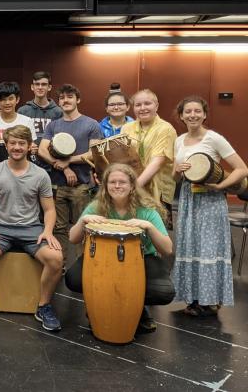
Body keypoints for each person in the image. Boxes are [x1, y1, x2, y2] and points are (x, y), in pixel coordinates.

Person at [0, 125, 63, 330]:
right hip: (1, 229)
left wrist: (47, 231)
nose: (17, 147)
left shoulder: (40, 175)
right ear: (6, 145)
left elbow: (49, 210)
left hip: (32, 230)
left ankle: (44, 306)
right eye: (13, 143)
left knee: (56, 259)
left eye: (22, 143)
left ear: (30, 146)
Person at [65, 163, 175, 333]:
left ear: (132, 186)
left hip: (141, 259)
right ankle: (99, 308)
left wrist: (149, 227)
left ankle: (138, 308)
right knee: (74, 279)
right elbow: (73, 238)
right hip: (102, 259)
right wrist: (84, 220)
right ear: (105, 185)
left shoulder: (147, 211)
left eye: (122, 182)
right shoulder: (96, 206)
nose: (117, 186)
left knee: (163, 292)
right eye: (112, 182)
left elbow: (167, 249)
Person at [172, 96, 248, 316]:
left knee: (209, 248)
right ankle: (194, 299)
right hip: (188, 198)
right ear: (181, 115)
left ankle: (210, 301)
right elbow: (175, 178)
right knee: (190, 246)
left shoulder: (214, 138)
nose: (192, 115)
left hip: (210, 199)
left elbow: (242, 169)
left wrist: (221, 186)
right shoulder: (179, 140)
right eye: (188, 111)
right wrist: (178, 170)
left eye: (197, 111)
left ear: (204, 114)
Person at [38, 84, 102, 256]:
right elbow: (42, 150)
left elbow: (93, 153)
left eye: (69, 97)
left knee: (84, 227)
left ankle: (84, 265)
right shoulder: (53, 125)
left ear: (78, 99)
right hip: (57, 187)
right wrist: (62, 167)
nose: (65, 101)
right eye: (62, 98)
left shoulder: (91, 124)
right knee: (58, 229)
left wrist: (67, 162)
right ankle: (60, 264)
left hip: (81, 187)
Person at [120, 89, 177, 227]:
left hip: (156, 189)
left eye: (147, 103)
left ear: (156, 106)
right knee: (130, 230)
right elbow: (121, 157)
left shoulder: (166, 129)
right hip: (131, 187)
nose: (143, 108)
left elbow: (157, 162)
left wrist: (135, 186)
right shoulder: (126, 128)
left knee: (154, 232)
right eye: (138, 105)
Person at [0, 81, 37, 165]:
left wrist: (33, 149)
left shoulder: (27, 121)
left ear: (17, 99)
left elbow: (32, 145)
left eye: (11, 99)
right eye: (3, 99)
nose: (7, 103)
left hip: (23, 166)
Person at [17, 71, 63, 157]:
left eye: (44, 84)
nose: (40, 87)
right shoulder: (22, 111)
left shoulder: (58, 112)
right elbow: (18, 137)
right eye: (37, 84)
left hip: (52, 161)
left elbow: (61, 139)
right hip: (28, 160)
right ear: (32, 87)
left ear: (49, 87)